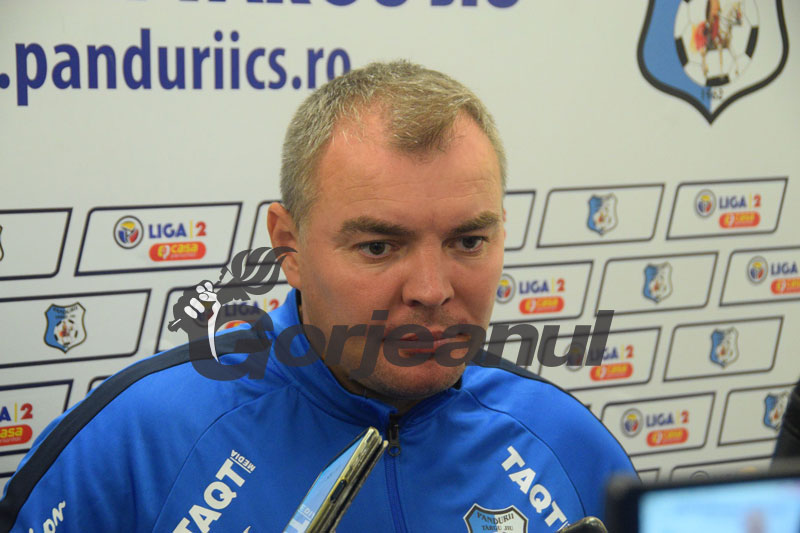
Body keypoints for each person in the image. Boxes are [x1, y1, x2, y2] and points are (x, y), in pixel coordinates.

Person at [0, 60, 634, 532]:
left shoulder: (566, 442)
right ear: (289, 246)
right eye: (379, 247)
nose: (432, 291)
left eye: (468, 241)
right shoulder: (136, 442)